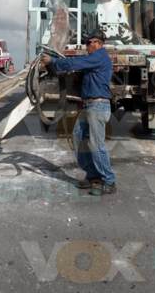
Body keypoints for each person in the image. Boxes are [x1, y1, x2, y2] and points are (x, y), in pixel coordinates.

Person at [40, 31, 116, 196]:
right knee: (77, 137)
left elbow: (77, 62)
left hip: (98, 106)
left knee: (97, 145)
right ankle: (93, 176)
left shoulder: (99, 56)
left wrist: (54, 60)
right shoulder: (94, 60)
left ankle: (109, 181)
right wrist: (55, 66)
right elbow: (76, 68)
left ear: (97, 43)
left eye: (89, 43)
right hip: (89, 106)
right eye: (86, 43)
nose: (87, 46)